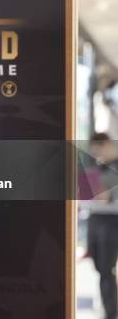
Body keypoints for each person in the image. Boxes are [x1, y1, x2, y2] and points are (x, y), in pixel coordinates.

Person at [87, 132, 118, 319]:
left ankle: (111, 312)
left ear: (106, 144)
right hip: (95, 218)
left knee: (106, 269)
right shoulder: (98, 167)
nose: (97, 155)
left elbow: (105, 197)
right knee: (100, 268)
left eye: (99, 150)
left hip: (111, 221)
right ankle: (109, 309)